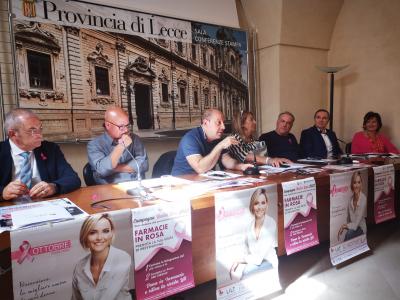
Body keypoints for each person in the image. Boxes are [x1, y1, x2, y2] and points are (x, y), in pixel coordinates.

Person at [0, 108, 81, 201]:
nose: (40, 135)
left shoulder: (50, 149)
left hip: (44, 205)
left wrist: (54, 187)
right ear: (13, 134)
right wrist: (2, 192)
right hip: (8, 207)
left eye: (40, 129)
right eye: (32, 130)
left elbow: (73, 178)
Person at [171, 109, 253, 176]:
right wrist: (219, 146)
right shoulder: (190, 138)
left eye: (223, 122)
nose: (223, 127)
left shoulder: (217, 138)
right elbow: (200, 168)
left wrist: (241, 166)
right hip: (182, 183)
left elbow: (227, 160)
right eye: (218, 122)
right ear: (206, 123)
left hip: (204, 181)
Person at [72, 213, 132, 300]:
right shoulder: (79, 266)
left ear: (111, 233)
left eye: (105, 231)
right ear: (85, 236)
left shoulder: (122, 258)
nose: (99, 237)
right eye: (93, 232)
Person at [88, 107, 149, 184]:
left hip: (137, 186)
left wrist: (115, 168)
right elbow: (102, 171)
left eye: (127, 125)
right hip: (111, 190)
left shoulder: (134, 138)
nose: (126, 130)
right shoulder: (94, 145)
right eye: (121, 126)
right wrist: (121, 146)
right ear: (108, 125)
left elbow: (144, 164)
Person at [230, 188, 278, 280]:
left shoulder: (271, 223)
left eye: (263, 203)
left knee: (242, 272)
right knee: (235, 270)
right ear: (252, 206)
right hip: (253, 263)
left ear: (267, 204)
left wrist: (240, 260)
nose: (260, 207)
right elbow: (246, 251)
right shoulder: (249, 226)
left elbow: (258, 259)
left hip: (268, 263)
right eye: (256, 203)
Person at [337, 171, 367, 242]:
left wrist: (343, 226)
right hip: (352, 227)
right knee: (348, 233)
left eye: (359, 182)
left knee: (349, 233)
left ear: (361, 184)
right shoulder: (350, 199)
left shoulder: (363, 198)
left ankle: (344, 250)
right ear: (352, 184)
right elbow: (348, 218)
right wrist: (346, 226)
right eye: (354, 182)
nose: (357, 185)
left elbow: (356, 224)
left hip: (360, 227)